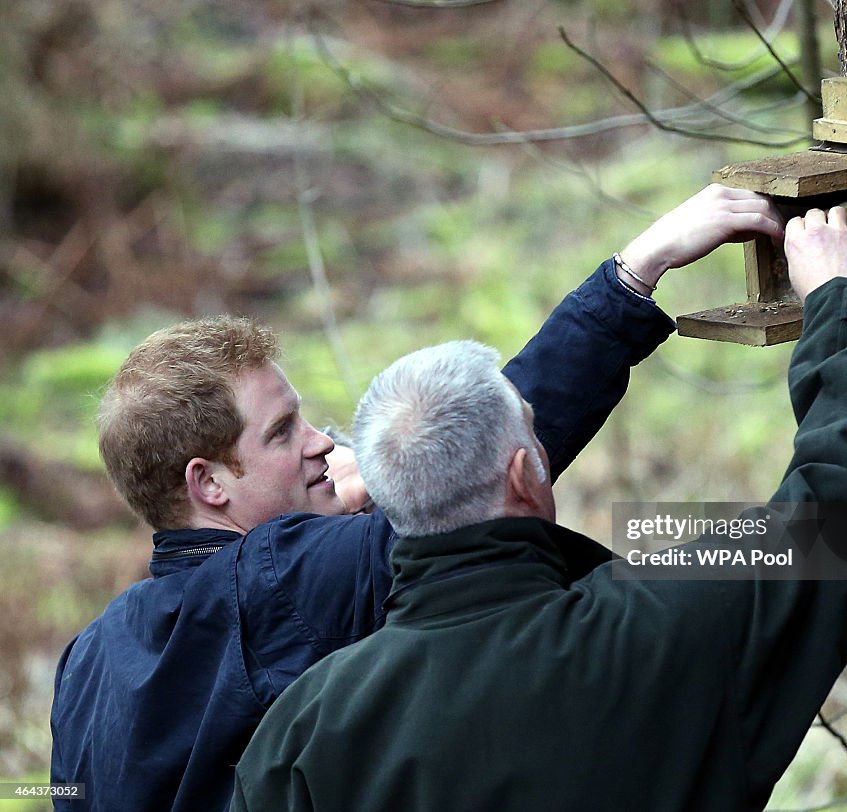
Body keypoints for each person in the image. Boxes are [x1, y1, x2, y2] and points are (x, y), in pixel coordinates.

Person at [49, 185, 785, 812]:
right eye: (282, 433)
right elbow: (476, 455)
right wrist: (633, 275)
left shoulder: (88, 661)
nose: (319, 442)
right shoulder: (283, 581)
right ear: (208, 483)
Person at [230, 207, 847, 812]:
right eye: (532, 430)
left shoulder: (303, 733)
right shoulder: (665, 622)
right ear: (521, 474)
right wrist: (843, 306)